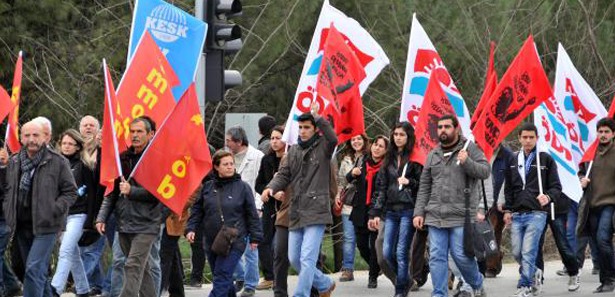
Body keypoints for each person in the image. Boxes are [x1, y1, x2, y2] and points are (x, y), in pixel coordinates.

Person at [261, 104, 337, 297]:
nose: (303, 131)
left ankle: (300, 294)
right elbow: (284, 175)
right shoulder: (293, 151)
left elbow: (333, 138)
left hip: (317, 211)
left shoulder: (324, 147)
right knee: (294, 259)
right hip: (296, 211)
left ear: (314, 129)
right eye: (300, 127)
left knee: (307, 258)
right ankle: (325, 283)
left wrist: (317, 117)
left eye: (307, 127)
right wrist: (270, 187)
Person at [413, 114, 490, 297]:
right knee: (437, 257)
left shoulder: (470, 148)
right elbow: (424, 186)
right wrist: (419, 212)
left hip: (461, 215)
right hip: (435, 215)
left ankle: (477, 282)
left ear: (456, 128)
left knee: (461, 256)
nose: (443, 130)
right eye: (440, 127)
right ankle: (439, 293)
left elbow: (485, 171)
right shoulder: (433, 154)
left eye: (447, 126)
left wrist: (467, 162)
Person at [3, 120, 77, 297]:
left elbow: (71, 192)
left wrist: (54, 209)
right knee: (30, 270)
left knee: (33, 269)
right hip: (21, 225)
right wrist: (8, 209)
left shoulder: (58, 161)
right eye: (27, 135)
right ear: (21, 138)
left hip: (46, 226)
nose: (31, 139)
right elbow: (7, 190)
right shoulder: (14, 161)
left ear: (46, 137)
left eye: (36, 135)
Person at [95, 117, 167, 297]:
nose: (135, 135)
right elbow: (112, 192)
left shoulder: (157, 159)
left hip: (147, 224)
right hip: (124, 222)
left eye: (139, 131)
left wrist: (132, 191)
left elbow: (159, 193)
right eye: (132, 131)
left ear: (151, 134)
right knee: (142, 270)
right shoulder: (122, 159)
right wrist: (102, 217)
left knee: (132, 265)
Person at [186, 150, 263, 297]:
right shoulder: (207, 188)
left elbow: (252, 214)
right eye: (225, 164)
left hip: (235, 239)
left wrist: (255, 237)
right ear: (216, 167)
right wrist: (191, 229)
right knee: (222, 277)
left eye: (231, 164)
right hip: (212, 240)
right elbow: (197, 211)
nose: (229, 167)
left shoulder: (243, 187)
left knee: (222, 274)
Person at [503, 122, 562, 297]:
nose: (528, 141)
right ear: (519, 138)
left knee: (528, 250)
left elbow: (557, 187)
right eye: (524, 137)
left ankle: (525, 285)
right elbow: (508, 188)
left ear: (537, 138)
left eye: (531, 137)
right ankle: (535, 271)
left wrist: (548, 197)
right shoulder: (513, 159)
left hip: (537, 213)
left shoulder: (545, 159)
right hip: (517, 213)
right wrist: (507, 210)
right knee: (517, 252)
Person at [368, 122, 422, 297]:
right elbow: (381, 188)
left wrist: (410, 182)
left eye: (402, 134)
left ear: (408, 137)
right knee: (386, 252)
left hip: (408, 209)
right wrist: (375, 212)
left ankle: (400, 291)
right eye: (396, 134)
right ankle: (405, 279)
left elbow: (423, 184)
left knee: (401, 251)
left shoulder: (415, 158)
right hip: (390, 211)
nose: (398, 137)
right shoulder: (388, 158)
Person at [50, 129, 97, 296]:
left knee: (65, 250)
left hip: (79, 214)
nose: (67, 146)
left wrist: (90, 220)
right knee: (73, 253)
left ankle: (55, 288)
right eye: (64, 143)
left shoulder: (84, 165)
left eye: (71, 144)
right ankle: (83, 290)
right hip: (61, 215)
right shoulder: (55, 165)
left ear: (78, 147)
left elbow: (92, 194)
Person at [577, 117, 615, 293]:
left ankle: (609, 279)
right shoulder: (590, 153)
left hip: (610, 203)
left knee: (603, 239)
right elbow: (581, 171)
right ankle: (605, 278)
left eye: (607, 132)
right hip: (591, 204)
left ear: (613, 134)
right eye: (600, 132)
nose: (603, 135)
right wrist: (582, 180)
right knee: (598, 243)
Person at [225, 126, 264, 296]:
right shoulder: (228, 158)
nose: (226, 144)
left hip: (252, 207)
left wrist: (258, 206)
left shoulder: (257, 157)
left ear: (238, 142)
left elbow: (261, 183)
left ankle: (250, 284)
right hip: (232, 208)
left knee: (250, 248)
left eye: (228, 141)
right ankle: (240, 276)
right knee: (230, 245)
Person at [349, 135, 388, 288]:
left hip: (376, 210)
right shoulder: (362, 161)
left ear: (385, 150)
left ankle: (372, 277)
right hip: (360, 209)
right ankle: (376, 269)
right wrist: (353, 173)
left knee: (374, 246)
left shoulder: (387, 167)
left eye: (381, 146)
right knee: (361, 245)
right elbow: (348, 179)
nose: (377, 148)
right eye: (375, 144)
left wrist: (377, 212)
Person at [254, 125, 285, 293]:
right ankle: (268, 276)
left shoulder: (291, 158)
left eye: (278, 138)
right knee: (263, 241)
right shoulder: (267, 160)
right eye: (272, 138)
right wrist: (269, 191)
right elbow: (258, 184)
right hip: (269, 207)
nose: (274, 141)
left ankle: (280, 276)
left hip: (287, 207)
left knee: (279, 245)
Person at [336, 134, 369, 282]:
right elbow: (341, 181)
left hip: (365, 203)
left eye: (359, 139)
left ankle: (375, 265)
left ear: (365, 141)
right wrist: (338, 196)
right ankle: (348, 269)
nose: (356, 142)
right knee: (349, 238)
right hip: (349, 203)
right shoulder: (346, 159)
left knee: (366, 239)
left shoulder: (370, 157)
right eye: (353, 139)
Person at [484, 145, 514, 277]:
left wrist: (504, 201)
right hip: (480, 198)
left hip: (497, 201)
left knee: (493, 233)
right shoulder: (478, 151)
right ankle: (493, 258)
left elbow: (509, 178)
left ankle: (491, 266)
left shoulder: (507, 155)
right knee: (480, 234)